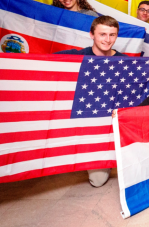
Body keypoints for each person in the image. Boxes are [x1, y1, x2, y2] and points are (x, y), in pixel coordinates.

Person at [55, 16, 124, 187]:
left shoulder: (125, 61)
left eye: (112, 35)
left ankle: (98, 159)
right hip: (80, 120)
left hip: (106, 124)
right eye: (102, 34)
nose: (107, 40)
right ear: (92, 34)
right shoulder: (77, 56)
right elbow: (43, 63)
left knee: (98, 180)